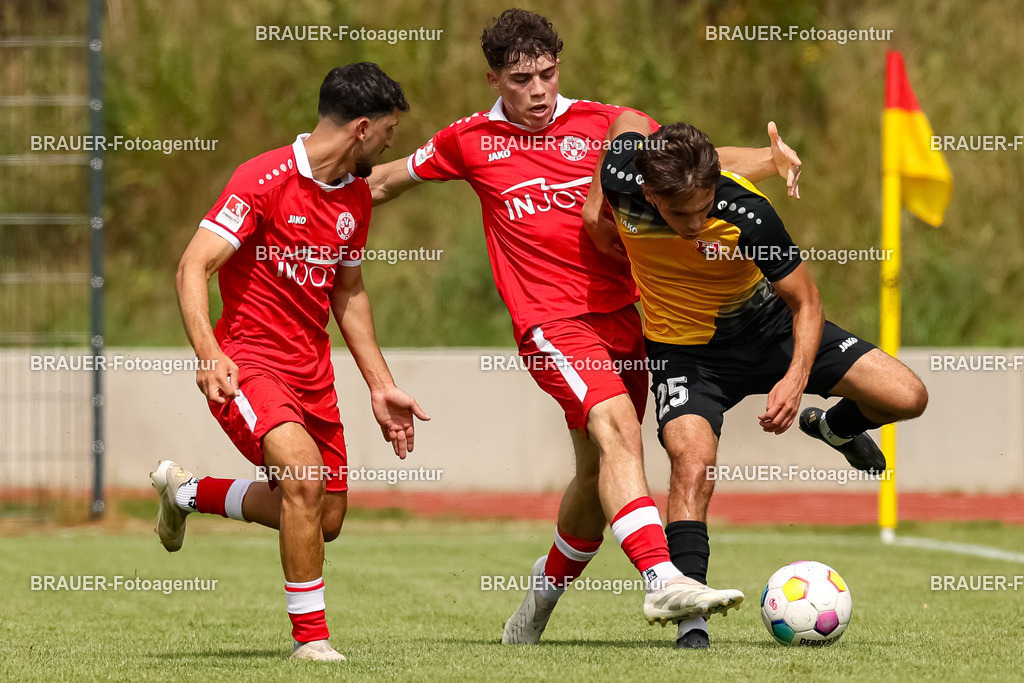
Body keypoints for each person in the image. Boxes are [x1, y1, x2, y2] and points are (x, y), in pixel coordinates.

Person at [368, 8, 801, 645]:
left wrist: (770, 158)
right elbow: (383, 182)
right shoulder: (469, 140)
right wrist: (306, 189)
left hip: (627, 318)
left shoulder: (603, 125)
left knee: (597, 477)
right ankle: (662, 578)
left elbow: (696, 166)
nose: (538, 90)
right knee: (619, 427)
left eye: (547, 73)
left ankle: (535, 607)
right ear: (494, 79)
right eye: (521, 79)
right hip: (551, 322)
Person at [593, 114, 928, 648]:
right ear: (651, 194)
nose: (696, 222)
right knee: (691, 465)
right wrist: (594, 213)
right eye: (682, 213)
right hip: (685, 353)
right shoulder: (621, 177)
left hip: (770, 330)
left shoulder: (747, 212)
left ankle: (835, 428)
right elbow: (626, 123)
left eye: (704, 206)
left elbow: (806, 302)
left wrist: (796, 378)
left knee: (908, 396)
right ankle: (691, 620)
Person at [151, 62, 429, 662]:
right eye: (388, 132)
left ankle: (187, 492)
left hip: (313, 372)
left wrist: (381, 385)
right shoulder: (263, 179)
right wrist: (209, 354)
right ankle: (311, 641)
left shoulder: (354, 196)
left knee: (324, 517)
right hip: (249, 363)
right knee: (303, 479)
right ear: (362, 128)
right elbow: (193, 265)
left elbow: (348, 291)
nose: (389, 145)